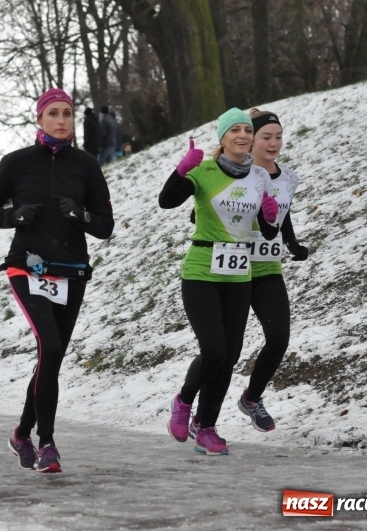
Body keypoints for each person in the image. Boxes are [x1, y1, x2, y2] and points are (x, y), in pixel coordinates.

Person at [0, 88, 114, 473]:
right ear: (39, 119)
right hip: (28, 266)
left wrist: (82, 217)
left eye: (67, 113)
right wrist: (16, 216)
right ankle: (47, 443)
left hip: (71, 271)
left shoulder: (86, 165)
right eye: (53, 113)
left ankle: (22, 432)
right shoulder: (17, 162)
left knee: (49, 358)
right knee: (50, 347)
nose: (61, 120)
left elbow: (105, 226)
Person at [158, 108, 279, 455]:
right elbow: (167, 202)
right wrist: (180, 170)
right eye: (234, 130)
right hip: (201, 272)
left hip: (239, 274)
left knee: (230, 355)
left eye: (246, 130)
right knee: (214, 349)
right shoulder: (205, 169)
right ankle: (182, 402)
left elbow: (266, 229)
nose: (242, 135)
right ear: (222, 138)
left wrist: (269, 219)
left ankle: (207, 427)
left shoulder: (258, 177)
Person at [236, 108, 307, 432]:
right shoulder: (237, 173)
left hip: (266, 268)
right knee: (223, 349)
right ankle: (202, 417)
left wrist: (291, 243)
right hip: (232, 269)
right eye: (266, 137)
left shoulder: (288, 177)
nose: (274, 143)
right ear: (251, 141)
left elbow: (281, 214)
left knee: (278, 337)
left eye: (278, 136)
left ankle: (251, 398)